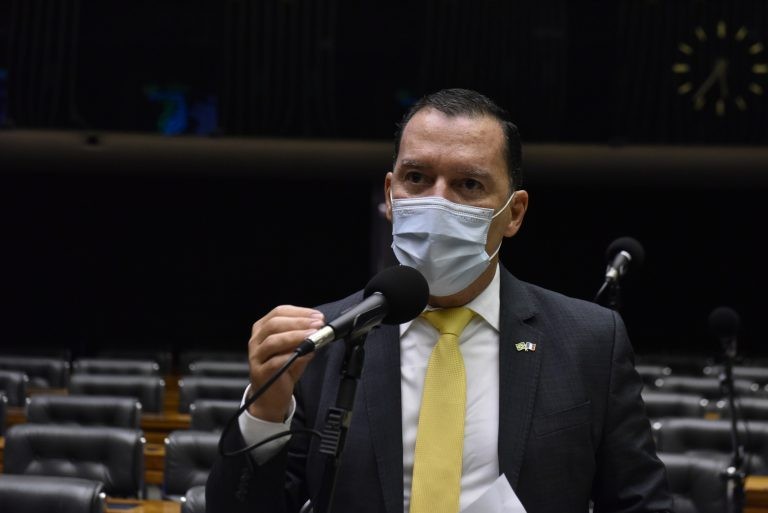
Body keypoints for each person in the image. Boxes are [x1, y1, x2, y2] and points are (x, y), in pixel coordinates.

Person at [206, 88, 672, 513]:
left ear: (514, 213)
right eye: (417, 177)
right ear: (390, 196)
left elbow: (639, 504)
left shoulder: (588, 340)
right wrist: (266, 413)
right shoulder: (321, 338)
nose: (437, 201)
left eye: (468, 184)